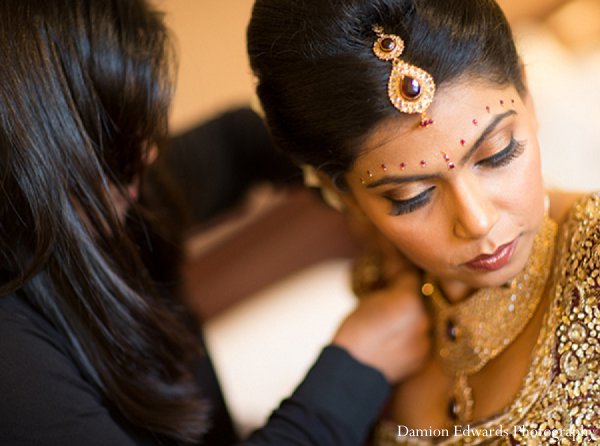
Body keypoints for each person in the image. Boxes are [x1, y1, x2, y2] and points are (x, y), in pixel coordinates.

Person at [0, 1, 431, 445]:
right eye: (117, 138)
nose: (148, 155)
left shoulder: (111, 196)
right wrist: (357, 368)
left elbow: (238, 139)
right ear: (35, 157)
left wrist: (361, 188)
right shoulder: (13, 364)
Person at [247, 0, 600, 444]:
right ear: (344, 196)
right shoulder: (381, 297)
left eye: (498, 153)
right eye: (412, 197)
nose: (477, 221)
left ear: (527, 95)